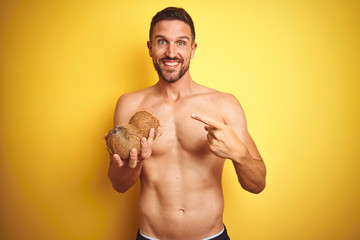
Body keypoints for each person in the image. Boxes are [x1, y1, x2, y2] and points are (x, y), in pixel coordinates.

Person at [106, 7, 266, 240]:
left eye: (181, 43)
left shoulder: (223, 104)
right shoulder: (130, 105)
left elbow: (257, 183)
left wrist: (238, 155)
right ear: (150, 48)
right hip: (152, 237)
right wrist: (136, 162)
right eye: (162, 42)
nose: (171, 52)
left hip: (211, 236)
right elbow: (118, 185)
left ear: (193, 49)